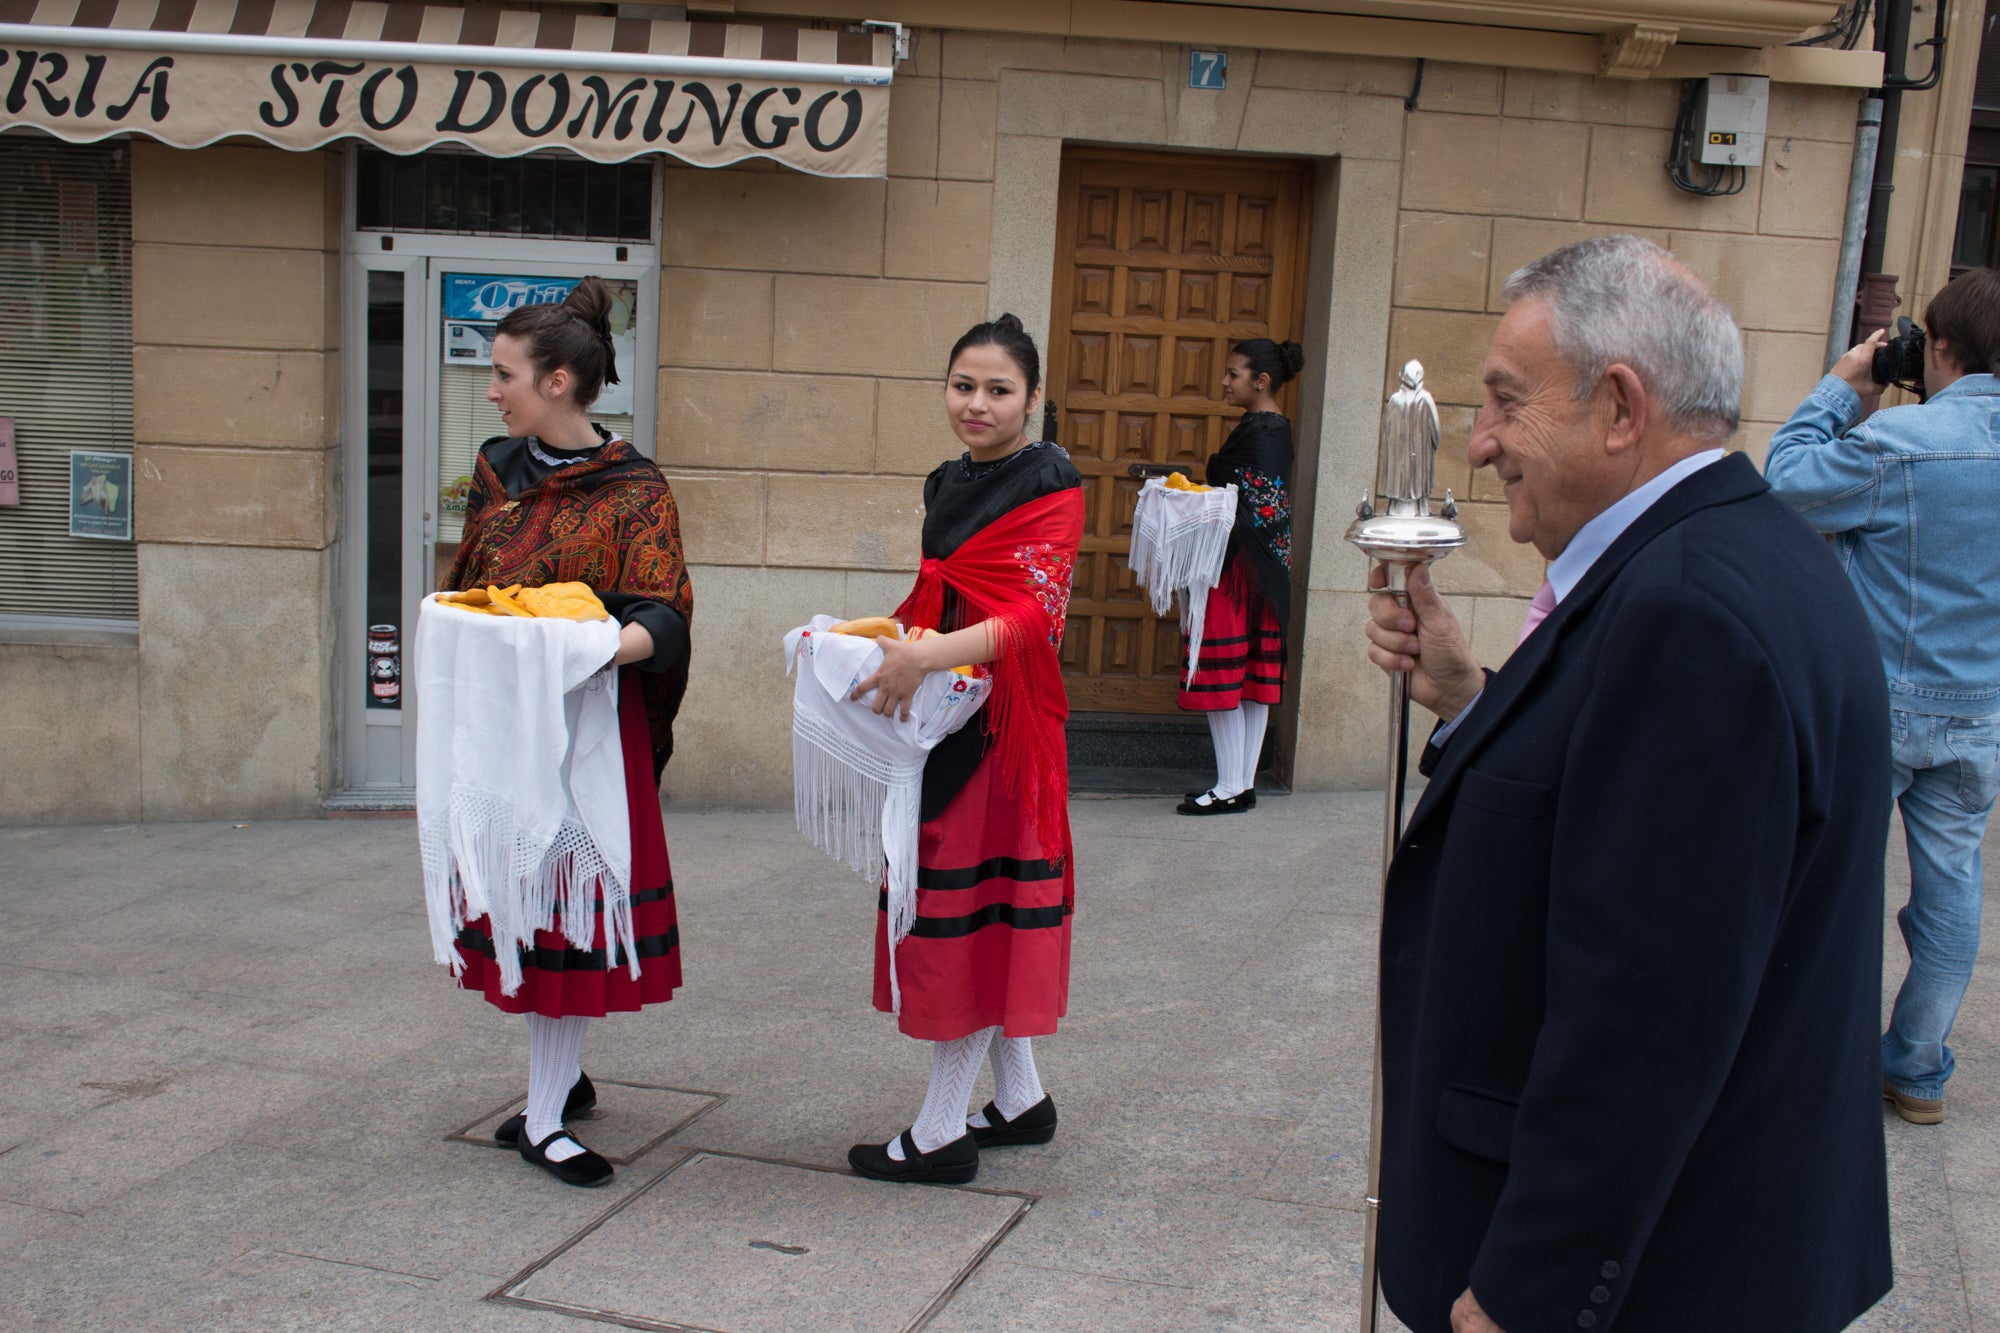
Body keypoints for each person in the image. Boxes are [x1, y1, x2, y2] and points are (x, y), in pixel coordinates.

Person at [1361, 235, 1892, 1332]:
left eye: (1505, 404)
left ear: (1617, 407)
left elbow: (1646, 1011)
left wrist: (1524, 1292)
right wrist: (1472, 699)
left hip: (1657, 1275)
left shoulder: (1686, 614)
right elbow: (1613, 810)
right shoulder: (1729, 555)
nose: (1478, 442)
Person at [440, 277, 693, 1187]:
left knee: (565, 913)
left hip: (588, 727)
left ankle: (544, 1117)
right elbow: (468, 582)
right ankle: (565, 1081)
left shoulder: (635, 490)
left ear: (556, 383)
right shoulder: (495, 472)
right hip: (508, 724)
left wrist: (579, 650)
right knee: (525, 899)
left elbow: (665, 620)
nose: (492, 387)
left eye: (504, 372)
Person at [844, 314, 1084, 1185]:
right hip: (948, 718)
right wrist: (871, 643)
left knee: (971, 925)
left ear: (1032, 399)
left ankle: (941, 1129)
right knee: (989, 917)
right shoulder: (945, 480)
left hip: (1005, 736)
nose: (976, 403)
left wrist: (921, 656)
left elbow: (1031, 620)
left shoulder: (1051, 480)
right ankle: (1020, 1099)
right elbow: (941, 600)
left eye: (998, 389)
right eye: (962, 385)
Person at [1764, 266, 2000, 1126]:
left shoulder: (1903, 443)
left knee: (1839, 879)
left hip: (1883, 701)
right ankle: (1918, 1069)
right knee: (1952, 890)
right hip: (1981, 710)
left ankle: (1823, 1057)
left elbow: (1784, 482)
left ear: (1938, 347)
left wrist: (1839, 385)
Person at [1177, 339, 1299, 815]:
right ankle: (1239, 784)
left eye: (1234, 374)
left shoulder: (1263, 432)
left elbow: (1246, 506)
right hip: (1257, 570)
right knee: (1249, 676)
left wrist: (1186, 500)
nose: (1226, 382)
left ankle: (1231, 786)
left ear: (1260, 381)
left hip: (1237, 571)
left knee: (1225, 671)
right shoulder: (1267, 428)